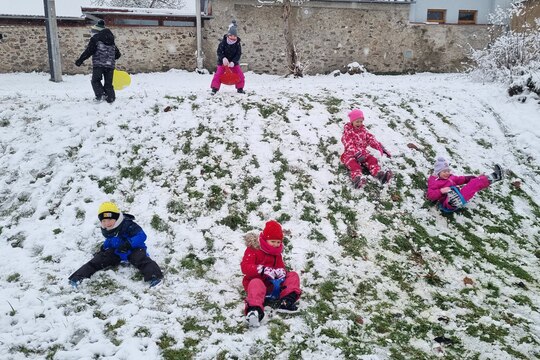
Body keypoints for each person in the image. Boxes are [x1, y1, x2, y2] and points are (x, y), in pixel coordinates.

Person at [68, 202, 163, 288]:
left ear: (116, 218)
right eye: (103, 221)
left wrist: (129, 244)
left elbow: (141, 236)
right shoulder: (108, 229)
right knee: (97, 260)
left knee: (141, 259)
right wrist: (104, 248)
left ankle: (154, 277)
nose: (107, 223)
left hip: (133, 249)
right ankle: (77, 277)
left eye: (109, 219)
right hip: (117, 251)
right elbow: (110, 240)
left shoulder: (128, 224)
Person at [240, 220, 301, 327]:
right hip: (259, 285)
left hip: (274, 285)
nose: (276, 245)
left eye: (278, 242)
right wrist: (261, 270)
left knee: (293, 275)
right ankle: (254, 310)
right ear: (265, 239)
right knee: (255, 282)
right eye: (273, 241)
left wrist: (281, 272)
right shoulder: (253, 250)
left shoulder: (277, 253)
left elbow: (280, 267)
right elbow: (245, 267)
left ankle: (286, 302)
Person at [426, 157, 504, 212]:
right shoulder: (434, 181)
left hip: (459, 195)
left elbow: (462, 179)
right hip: (445, 203)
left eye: (448, 171)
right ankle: (453, 201)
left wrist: (474, 178)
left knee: (474, 183)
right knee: (450, 195)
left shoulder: (451, 177)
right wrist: (441, 191)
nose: (447, 173)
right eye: (444, 172)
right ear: (438, 173)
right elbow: (430, 195)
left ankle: (495, 176)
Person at [341, 109, 393, 188]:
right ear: (352, 121)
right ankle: (357, 179)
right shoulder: (348, 131)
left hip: (363, 152)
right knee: (354, 165)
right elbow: (348, 143)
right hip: (350, 153)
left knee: (372, 160)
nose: (359, 123)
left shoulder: (363, 130)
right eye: (357, 121)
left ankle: (379, 174)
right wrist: (357, 153)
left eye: (361, 121)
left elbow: (370, 139)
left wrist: (380, 147)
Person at [75, 20, 121, 103]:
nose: (92, 33)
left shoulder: (95, 39)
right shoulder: (112, 41)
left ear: (97, 31)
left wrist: (80, 60)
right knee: (108, 84)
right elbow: (118, 54)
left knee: (95, 81)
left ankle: (101, 95)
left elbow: (89, 51)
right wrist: (109, 58)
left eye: (93, 31)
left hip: (98, 64)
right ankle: (110, 98)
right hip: (110, 65)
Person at [210, 20, 245, 95]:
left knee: (240, 74)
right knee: (218, 74)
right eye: (231, 35)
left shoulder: (237, 44)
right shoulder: (223, 43)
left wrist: (233, 62)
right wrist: (223, 58)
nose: (233, 37)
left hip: (233, 63)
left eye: (234, 36)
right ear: (228, 35)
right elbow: (219, 52)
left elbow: (238, 54)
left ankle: (240, 88)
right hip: (223, 62)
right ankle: (214, 88)